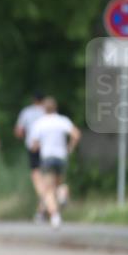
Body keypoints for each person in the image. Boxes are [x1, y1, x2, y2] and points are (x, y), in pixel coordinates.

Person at [27, 97, 81, 229]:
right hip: (62, 157)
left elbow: (33, 145)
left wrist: (39, 145)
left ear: (44, 109)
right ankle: (62, 194)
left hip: (47, 158)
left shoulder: (40, 123)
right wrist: (70, 147)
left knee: (48, 189)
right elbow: (76, 134)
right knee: (59, 184)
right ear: (56, 107)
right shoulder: (62, 120)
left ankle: (55, 216)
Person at [14, 92, 47, 222]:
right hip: (48, 148)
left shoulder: (26, 112)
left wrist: (23, 137)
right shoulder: (48, 112)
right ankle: (44, 207)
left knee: (37, 178)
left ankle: (43, 204)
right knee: (48, 178)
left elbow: (19, 131)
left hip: (32, 147)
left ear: (33, 100)